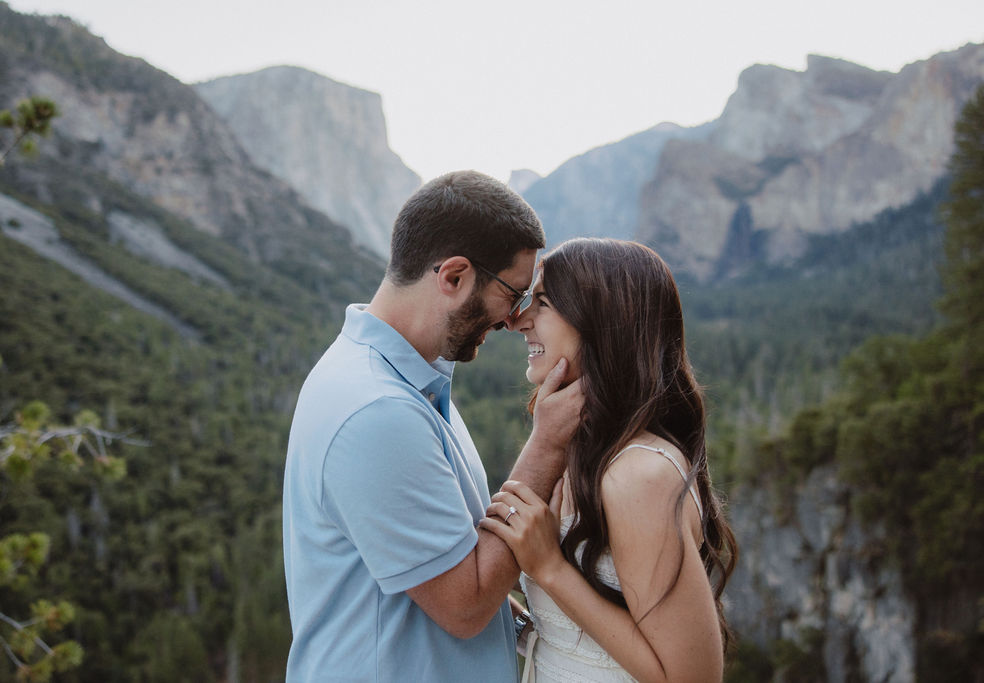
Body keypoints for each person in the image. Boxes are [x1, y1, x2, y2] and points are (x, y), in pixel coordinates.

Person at [282, 170, 585, 681]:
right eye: (513, 293)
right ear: (454, 277)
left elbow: (434, 566)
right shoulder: (376, 410)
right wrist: (550, 442)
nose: (514, 319)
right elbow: (464, 605)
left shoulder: (405, 380)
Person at [480, 238, 738, 682]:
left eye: (542, 302)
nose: (519, 321)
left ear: (600, 322)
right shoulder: (583, 454)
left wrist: (550, 568)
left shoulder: (639, 474)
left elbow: (693, 678)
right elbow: (577, 632)